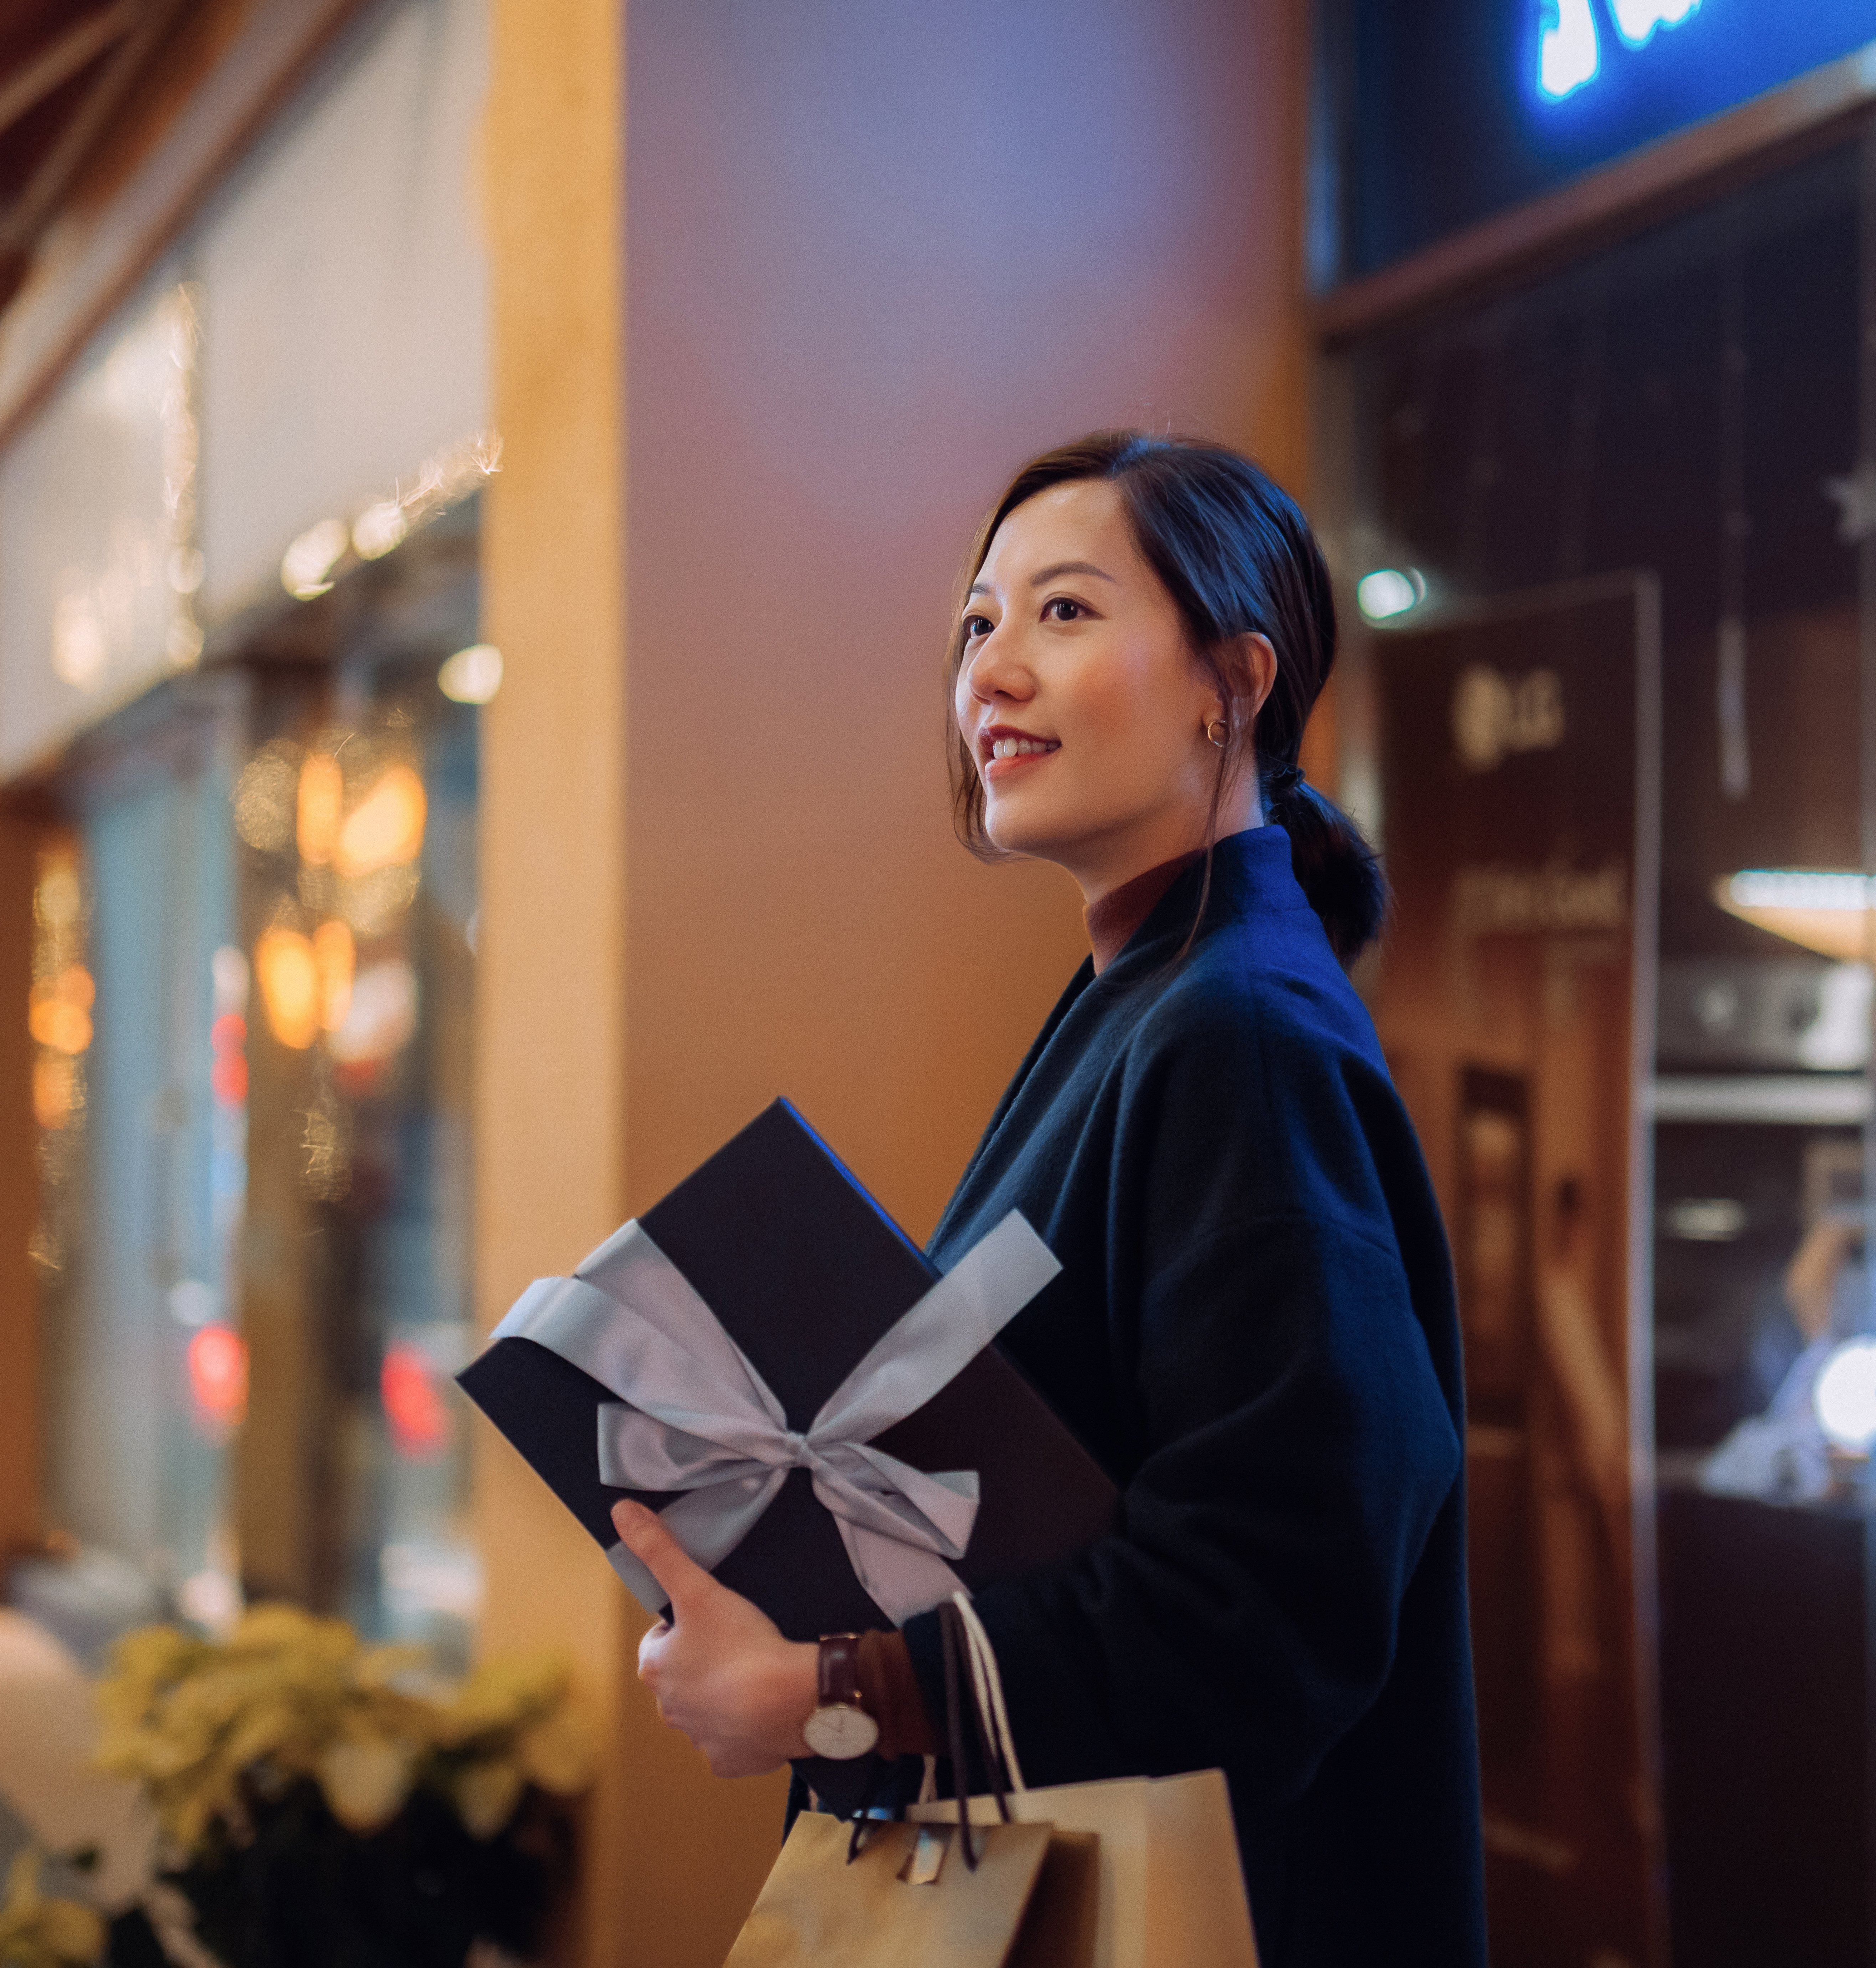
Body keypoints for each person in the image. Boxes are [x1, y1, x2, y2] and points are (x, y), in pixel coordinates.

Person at [606, 431, 1485, 1967]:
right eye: (977, 624)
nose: (993, 671)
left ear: (1235, 679)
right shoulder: (1152, 1002)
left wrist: (835, 1683)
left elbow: (1272, 1593)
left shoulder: (1239, 1034)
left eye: (1065, 613)